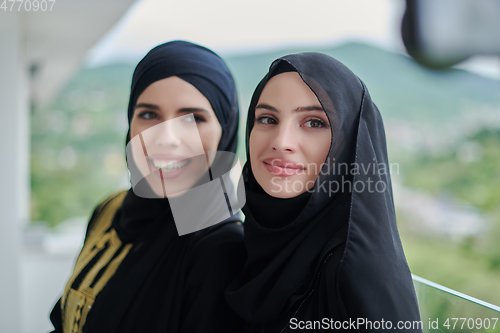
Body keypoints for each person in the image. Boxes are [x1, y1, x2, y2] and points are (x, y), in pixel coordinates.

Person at [49, 41, 245, 333]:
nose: (166, 138)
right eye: (149, 115)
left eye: (193, 119)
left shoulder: (219, 249)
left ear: (225, 131)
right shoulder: (111, 208)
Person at [225, 53, 422, 332]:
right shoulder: (250, 238)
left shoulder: (355, 273)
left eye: (314, 122)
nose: (282, 142)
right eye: (267, 119)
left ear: (348, 145)